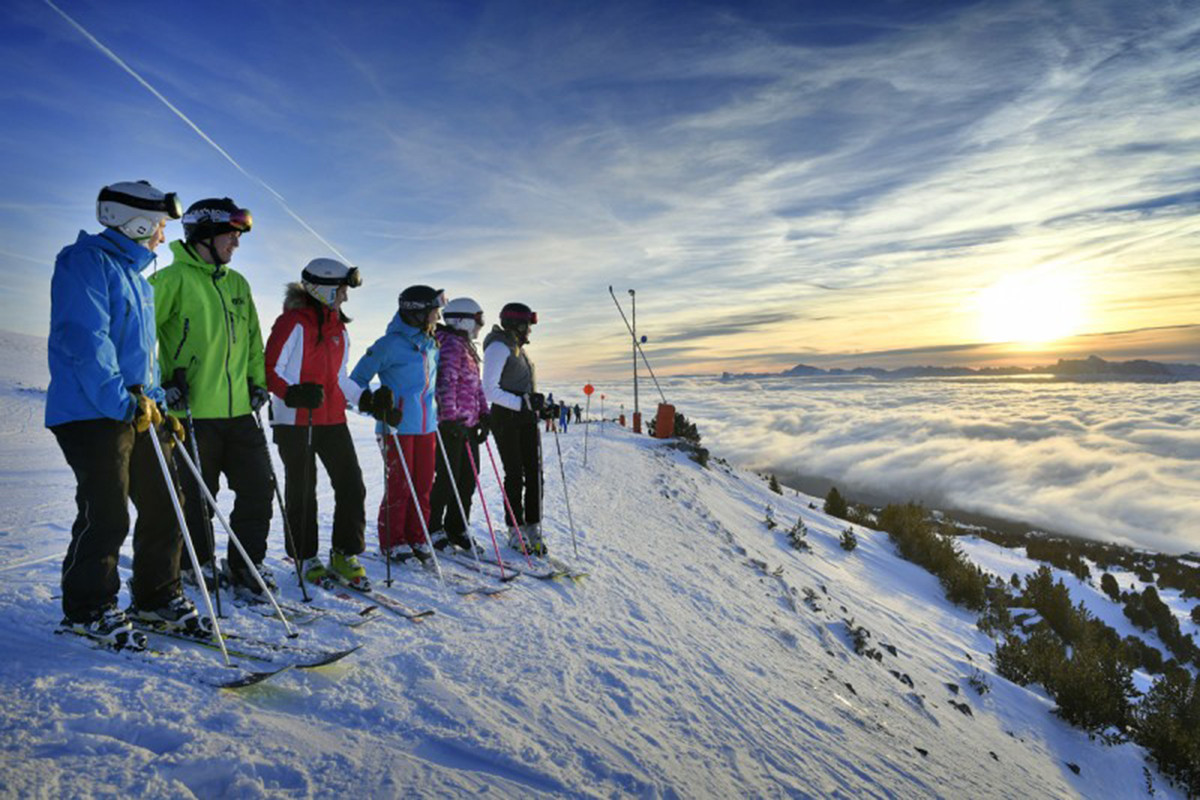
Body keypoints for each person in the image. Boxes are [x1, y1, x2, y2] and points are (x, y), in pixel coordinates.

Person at [47, 180, 207, 648]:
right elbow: (86, 340)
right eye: (159, 225)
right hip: (90, 412)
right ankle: (88, 608)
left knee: (166, 503)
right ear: (134, 221)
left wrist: (158, 404)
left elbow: (143, 359)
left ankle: (157, 599)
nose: (162, 235)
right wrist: (124, 402)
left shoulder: (138, 279)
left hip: (133, 409)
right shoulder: (85, 262)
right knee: (108, 512)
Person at [150, 197, 276, 599]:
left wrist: (258, 383)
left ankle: (246, 566)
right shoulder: (170, 281)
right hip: (191, 412)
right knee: (200, 499)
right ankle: (194, 565)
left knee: (259, 488)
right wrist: (160, 383)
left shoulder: (238, 285)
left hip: (240, 411)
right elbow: (138, 339)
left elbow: (254, 341)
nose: (236, 243)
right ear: (205, 233)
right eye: (231, 234)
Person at [264, 259, 372, 590]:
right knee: (302, 490)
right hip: (295, 420)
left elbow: (340, 379)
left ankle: (344, 553)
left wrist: (366, 399)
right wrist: (291, 393)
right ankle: (305, 556)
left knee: (352, 484)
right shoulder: (292, 323)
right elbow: (269, 369)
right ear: (324, 289)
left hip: (332, 418)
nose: (345, 298)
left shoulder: (340, 328)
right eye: (341, 291)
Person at [351, 285, 443, 563]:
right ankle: (394, 540)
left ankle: (417, 535)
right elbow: (356, 381)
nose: (438, 317)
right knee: (401, 485)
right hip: (396, 427)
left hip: (427, 426)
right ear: (418, 314)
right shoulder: (388, 344)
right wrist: (375, 404)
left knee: (424, 484)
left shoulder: (430, 344)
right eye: (434, 312)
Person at [482, 302, 549, 555]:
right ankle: (515, 528)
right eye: (528, 326)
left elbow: (523, 389)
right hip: (506, 418)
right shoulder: (499, 346)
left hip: (524, 417)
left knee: (534, 473)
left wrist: (541, 405)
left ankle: (533, 525)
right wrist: (522, 403)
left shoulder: (517, 347)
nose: (530, 331)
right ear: (517, 325)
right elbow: (490, 389)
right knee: (515, 473)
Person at [429, 297, 489, 553]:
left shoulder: (466, 346)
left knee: (467, 479)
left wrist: (485, 414)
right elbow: (446, 383)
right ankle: (433, 528)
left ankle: (457, 526)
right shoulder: (451, 345)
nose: (480, 326)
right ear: (463, 320)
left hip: (467, 424)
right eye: (478, 321)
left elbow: (476, 386)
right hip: (451, 425)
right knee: (447, 479)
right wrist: (450, 418)